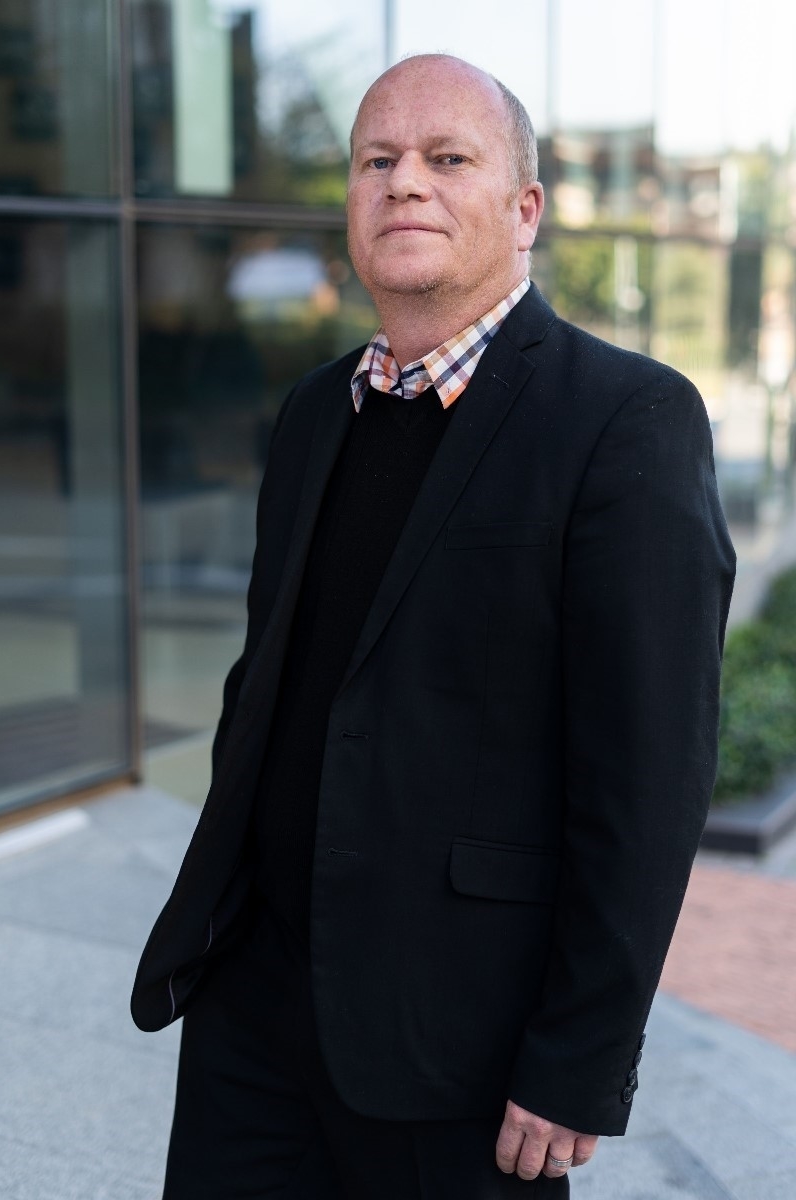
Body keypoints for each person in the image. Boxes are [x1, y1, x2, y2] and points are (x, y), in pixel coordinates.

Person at [131, 54, 736, 1199]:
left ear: (523, 209)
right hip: (251, 1015)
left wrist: (580, 1056)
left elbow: (649, 776)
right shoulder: (315, 411)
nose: (404, 181)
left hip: (461, 1046)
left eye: (446, 158)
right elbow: (269, 684)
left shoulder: (625, 420)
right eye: (377, 161)